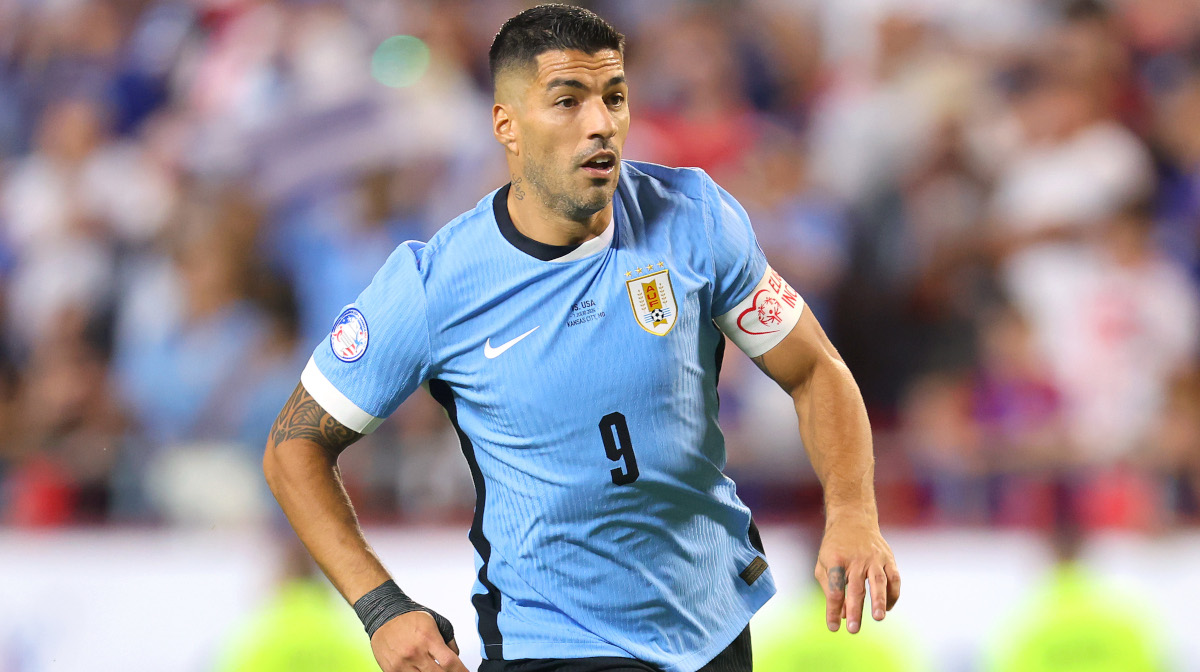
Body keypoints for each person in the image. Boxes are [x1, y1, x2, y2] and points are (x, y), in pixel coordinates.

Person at [262, 5, 900, 672]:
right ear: (507, 125)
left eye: (614, 97)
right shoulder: (436, 286)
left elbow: (814, 369)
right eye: (568, 101)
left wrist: (853, 512)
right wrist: (380, 606)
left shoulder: (694, 219)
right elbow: (293, 446)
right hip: (556, 644)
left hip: (710, 629)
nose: (600, 123)